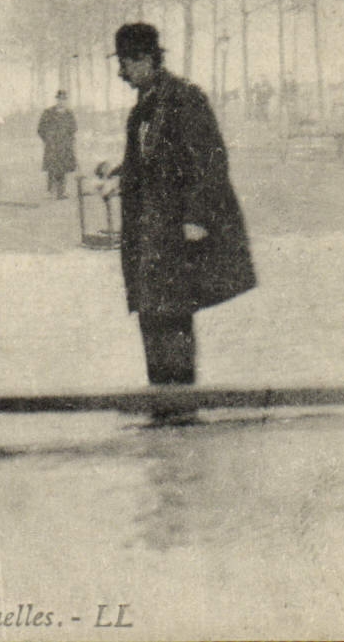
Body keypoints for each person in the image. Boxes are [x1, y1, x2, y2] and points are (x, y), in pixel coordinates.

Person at [109, 23, 255, 407]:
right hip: (147, 235)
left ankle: (178, 407)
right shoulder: (145, 106)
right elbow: (151, 161)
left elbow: (210, 159)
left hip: (173, 232)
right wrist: (119, 173)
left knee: (171, 316)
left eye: (125, 63)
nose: (121, 73)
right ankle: (164, 401)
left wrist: (196, 217)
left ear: (145, 59)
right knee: (152, 315)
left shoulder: (184, 99)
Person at [37, 89, 78, 199]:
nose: (62, 101)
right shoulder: (48, 113)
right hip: (52, 146)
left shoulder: (69, 114)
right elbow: (41, 129)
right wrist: (48, 139)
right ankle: (50, 191)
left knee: (63, 169)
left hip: (64, 146)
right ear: (57, 99)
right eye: (60, 99)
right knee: (52, 168)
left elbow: (73, 129)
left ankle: (62, 192)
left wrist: (69, 141)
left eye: (64, 99)